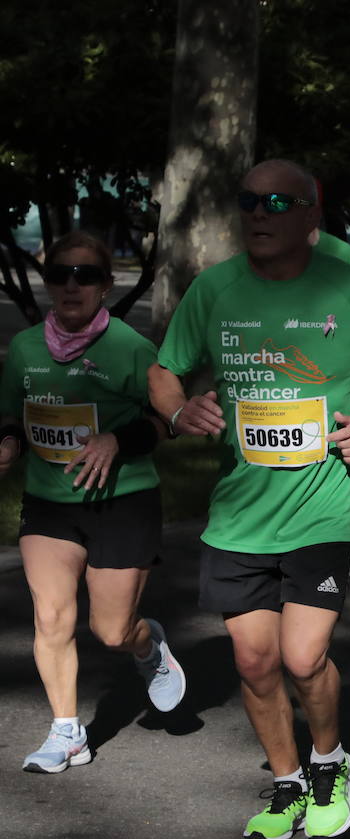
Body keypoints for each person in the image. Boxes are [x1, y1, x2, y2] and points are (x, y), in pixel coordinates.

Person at [148, 159, 350, 839]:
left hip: (323, 506)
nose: (259, 214)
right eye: (248, 202)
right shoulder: (214, 290)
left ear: (311, 215)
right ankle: (286, 779)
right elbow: (163, 370)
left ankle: (330, 763)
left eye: (277, 202)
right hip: (240, 511)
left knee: (303, 657)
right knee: (254, 662)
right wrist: (180, 411)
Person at [0, 232, 185, 774]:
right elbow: (13, 413)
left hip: (122, 502)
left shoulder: (130, 348)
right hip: (50, 504)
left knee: (111, 631)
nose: (70, 285)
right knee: (52, 616)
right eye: (59, 274)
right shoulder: (28, 348)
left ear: (105, 285)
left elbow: (167, 422)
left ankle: (148, 646)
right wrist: (10, 443)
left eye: (84, 275)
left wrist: (115, 441)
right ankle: (66, 732)